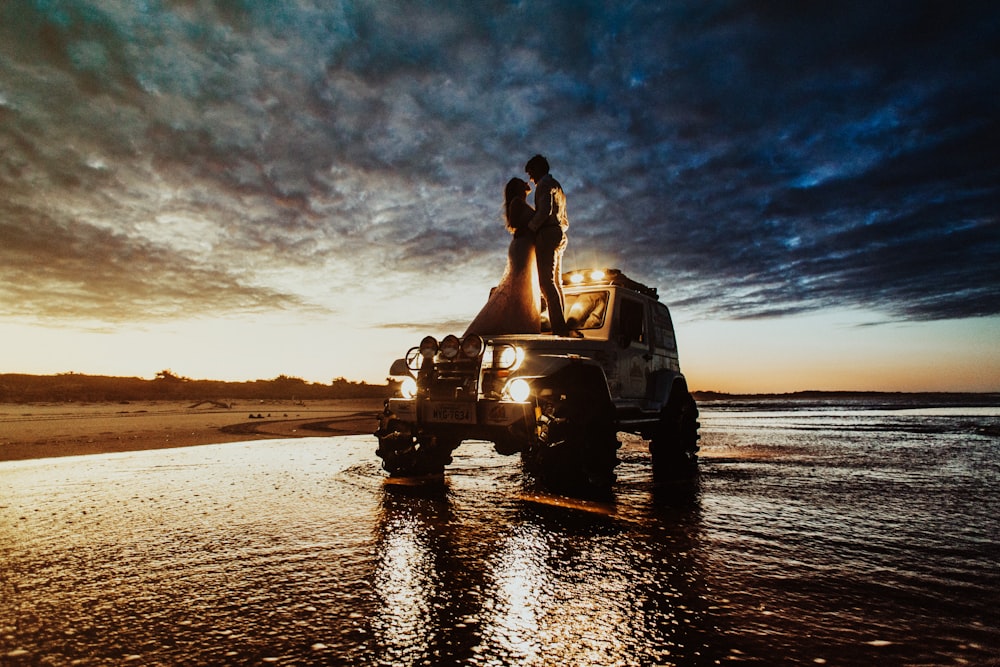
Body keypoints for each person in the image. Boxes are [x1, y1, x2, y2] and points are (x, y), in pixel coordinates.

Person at [464, 178, 542, 336]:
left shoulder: (519, 202)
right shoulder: (516, 202)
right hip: (522, 246)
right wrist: (532, 225)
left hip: (526, 246)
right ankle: (516, 323)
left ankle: (519, 321)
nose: (526, 183)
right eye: (522, 182)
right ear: (517, 188)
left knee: (524, 285)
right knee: (520, 283)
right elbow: (515, 223)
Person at [524, 154, 572, 336]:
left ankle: (559, 328)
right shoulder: (557, 185)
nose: (531, 178)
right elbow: (564, 218)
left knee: (546, 282)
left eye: (531, 173)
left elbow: (545, 211)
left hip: (547, 232)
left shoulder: (544, 185)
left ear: (538, 169)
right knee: (557, 283)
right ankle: (561, 324)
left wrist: (531, 228)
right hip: (559, 233)